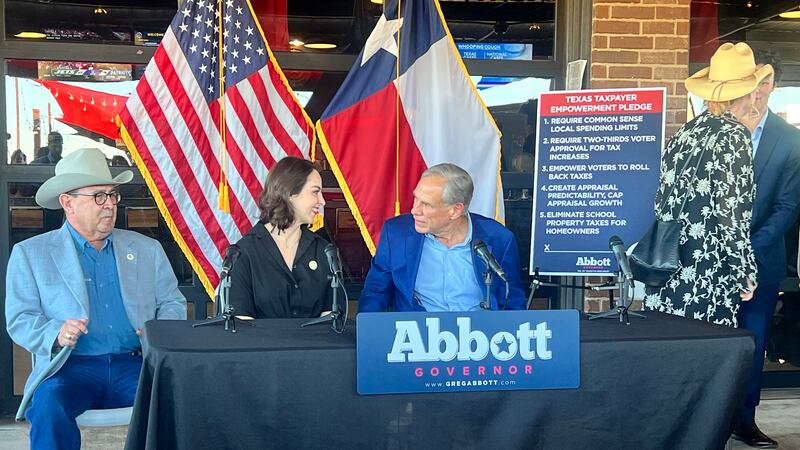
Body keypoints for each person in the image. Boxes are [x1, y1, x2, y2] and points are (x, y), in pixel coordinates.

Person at [5, 148, 187, 450]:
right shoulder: (30, 254)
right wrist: (56, 333)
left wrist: (158, 331)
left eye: (112, 195)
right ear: (68, 202)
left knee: (181, 400)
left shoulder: (147, 249)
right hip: (70, 368)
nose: (110, 205)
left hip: (136, 364)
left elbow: (172, 302)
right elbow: (20, 318)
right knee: (48, 407)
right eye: (98, 196)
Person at [642, 42, 767, 327]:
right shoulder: (734, 135)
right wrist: (744, 272)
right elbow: (731, 212)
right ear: (748, 91)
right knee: (708, 347)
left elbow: (662, 199)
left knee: (669, 342)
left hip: (668, 262)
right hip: (707, 268)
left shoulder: (686, 131)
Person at [730, 49, 800, 449]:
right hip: (711, 261)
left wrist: (746, 251)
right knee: (712, 340)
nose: (757, 90)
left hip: (761, 259)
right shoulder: (717, 130)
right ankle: (707, 418)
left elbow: (787, 207)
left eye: (766, 81)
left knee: (753, 343)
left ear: (775, 86)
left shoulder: (790, 139)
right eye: (752, 80)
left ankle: (745, 420)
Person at [359, 163, 526, 312]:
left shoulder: (499, 238)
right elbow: (376, 291)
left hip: (478, 333)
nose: (414, 210)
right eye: (416, 198)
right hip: (419, 332)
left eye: (426, 204)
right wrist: (368, 331)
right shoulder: (396, 234)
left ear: (455, 210)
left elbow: (512, 301)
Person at [228, 156, 333, 318]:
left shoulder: (324, 251)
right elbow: (240, 321)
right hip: (259, 336)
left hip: (315, 336)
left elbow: (331, 318)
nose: (322, 201)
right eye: (315, 192)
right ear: (290, 193)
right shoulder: (244, 253)